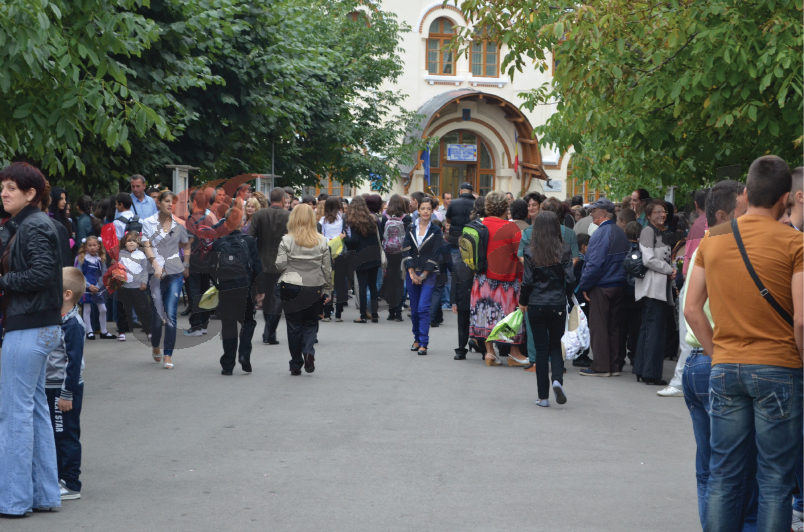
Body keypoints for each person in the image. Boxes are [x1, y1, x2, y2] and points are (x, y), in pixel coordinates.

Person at [685, 155, 803, 531]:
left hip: (725, 367)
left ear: (748, 191)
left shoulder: (714, 238)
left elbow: (691, 309)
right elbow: (801, 318)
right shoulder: (794, 242)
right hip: (779, 368)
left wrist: (717, 353)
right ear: (786, 198)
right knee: (774, 481)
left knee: (723, 474)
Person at [678, 179, 757, 530]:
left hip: (697, 363)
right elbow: (693, 310)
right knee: (734, 472)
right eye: (745, 210)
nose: (753, 216)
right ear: (725, 214)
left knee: (710, 469)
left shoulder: (707, 245)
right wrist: (718, 355)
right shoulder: (727, 246)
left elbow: (691, 309)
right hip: (716, 358)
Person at [0, 162, 64, 516]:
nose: (4, 193)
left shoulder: (34, 224)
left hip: (29, 326)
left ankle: (13, 500)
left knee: (16, 413)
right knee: (35, 411)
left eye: (12, 187)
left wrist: (3, 283)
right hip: (37, 325)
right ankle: (42, 495)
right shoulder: (27, 224)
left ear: (31, 194)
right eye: (3, 187)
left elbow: (40, 273)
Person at [519, 211, 575, 406]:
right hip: (557, 303)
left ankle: (543, 397)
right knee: (555, 345)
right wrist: (567, 299)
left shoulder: (530, 251)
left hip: (536, 303)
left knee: (541, 349)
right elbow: (570, 279)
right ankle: (557, 380)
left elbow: (527, 282)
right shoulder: (565, 250)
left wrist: (523, 301)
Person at [469, 191, 527, 366]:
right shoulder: (511, 228)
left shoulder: (478, 225)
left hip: (481, 280)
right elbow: (522, 257)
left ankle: (489, 353)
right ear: (505, 208)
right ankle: (514, 353)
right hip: (506, 283)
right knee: (510, 318)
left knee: (486, 316)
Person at [45, 267, 87, 501]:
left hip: (64, 390)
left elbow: (73, 363)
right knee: (53, 433)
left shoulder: (73, 325)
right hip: (50, 386)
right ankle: (57, 477)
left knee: (65, 434)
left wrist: (67, 394)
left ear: (67, 295)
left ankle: (70, 482)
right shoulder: (57, 318)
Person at [275, 205, 332, 375]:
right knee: (310, 322)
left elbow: (280, 265)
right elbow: (327, 268)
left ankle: (295, 362)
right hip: (313, 285)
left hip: (291, 285)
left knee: (293, 325)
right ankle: (308, 350)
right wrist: (328, 289)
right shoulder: (321, 240)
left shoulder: (287, 240)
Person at [577, 197, 630, 377]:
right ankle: (614, 365)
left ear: (604, 213)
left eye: (594, 210)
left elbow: (594, 263)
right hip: (618, 284)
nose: (591, 213)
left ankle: (600, 366)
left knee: (599, 327)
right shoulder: (620, 232)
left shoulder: (601, 233)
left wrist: (584, 285)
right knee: (614, 327)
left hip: (602, 285)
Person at [141, 190, 191, 369]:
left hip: (175, 272)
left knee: (170, 313)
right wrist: (154, 264)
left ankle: (168, 354)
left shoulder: (179, 224)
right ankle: (155, 345)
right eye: (167, 201)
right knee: (157, 316)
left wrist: (186, 263)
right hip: (155, 274)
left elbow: (186, 243)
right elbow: (146, 244)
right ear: (159, 203)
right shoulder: (148, 222)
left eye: (173, 202)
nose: (170, 205)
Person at [631, 199, 676, 385]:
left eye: (664, 211)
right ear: (648, 215)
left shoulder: (659, 232)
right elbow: (648, 259)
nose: (662, 214)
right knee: (654, 331)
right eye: (657, 212)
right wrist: (669, 269)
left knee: (649, 329)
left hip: (657, 288)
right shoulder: (649, 231)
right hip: (652, 288)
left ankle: (642, 370)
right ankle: (651, 373)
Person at [211, 208, 261, 375]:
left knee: (229, 325)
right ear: (242, 223)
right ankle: (244, 354)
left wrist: (217, 285)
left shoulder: (218, 242)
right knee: (247, 321)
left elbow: (211, 267)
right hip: (244, 288)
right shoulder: (250, 241)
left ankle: (227, 364)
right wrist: (258, 290)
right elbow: (257, 268)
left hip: (226, 288)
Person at [248, 188, 290, 344]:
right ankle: (269, 332)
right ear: (283, 199)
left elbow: (251, 238)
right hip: (282, 262)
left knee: (265, 297)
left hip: (262, 261)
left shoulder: (259, 215)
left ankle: (268, 329)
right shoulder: (289, 216)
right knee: (278, 296)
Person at [402, 197, 443, 355]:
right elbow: (406, 249)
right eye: (423, 208)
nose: (425, 211)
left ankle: (424, 343)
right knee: (414, 310)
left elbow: (437, 252)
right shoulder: (410, 227)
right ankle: (417, 338)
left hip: (429, 274)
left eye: (428, 209)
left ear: (432, 211)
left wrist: (424, 274)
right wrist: (411, 272)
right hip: (412, 273)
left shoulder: (436, 230)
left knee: (423, 308)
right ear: (418, 210)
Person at [341, 196, 382, 323]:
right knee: (373, 286)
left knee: (363, 287)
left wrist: (344, 238)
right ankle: (374, 313)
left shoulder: (353, 222)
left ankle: (363, 315)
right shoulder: (372, 219)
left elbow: (354, 241)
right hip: (374, 255)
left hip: (361, 257)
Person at [115, 231, 152, 342]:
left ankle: (149, 331)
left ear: (138, 243)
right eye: (129, 240)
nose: (131, 243)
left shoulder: (141, 255)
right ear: (124, 242)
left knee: (143, 309)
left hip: (137, 287)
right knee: (122, 310)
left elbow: (145, 270)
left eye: (134, 241)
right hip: (124, 287)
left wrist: (144, 282)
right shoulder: (120, 254)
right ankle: (122, 331)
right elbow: (116, 269)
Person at [617, 221, 644, 372]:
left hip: (623, 291)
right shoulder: (643, 249)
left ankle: (620, 358)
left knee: (621, 328)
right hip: (638, 292)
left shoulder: (622, 248)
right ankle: (635, 356)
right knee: (637, 328)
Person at [76, 236, 114, 340]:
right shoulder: (81, 259)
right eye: (90, 245)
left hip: (98, 288)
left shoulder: (100, 259)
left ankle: (104, 331)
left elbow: (103, 274)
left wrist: (97, 286)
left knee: (103, 309)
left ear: (98, 246)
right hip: (86, 287)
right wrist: (89, 285)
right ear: (86, 246)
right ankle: (90, 331)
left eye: (94, 245)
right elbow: (79, 274)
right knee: (87, 309)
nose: (92, 247)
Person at [380, 194, 408, 321]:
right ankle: (398, 312)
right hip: (402, 253)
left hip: (388, 252)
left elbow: (382, 236)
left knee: (390, 281)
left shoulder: (385, 218)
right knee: (399, 282)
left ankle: (391, 311)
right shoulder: (406, 218)